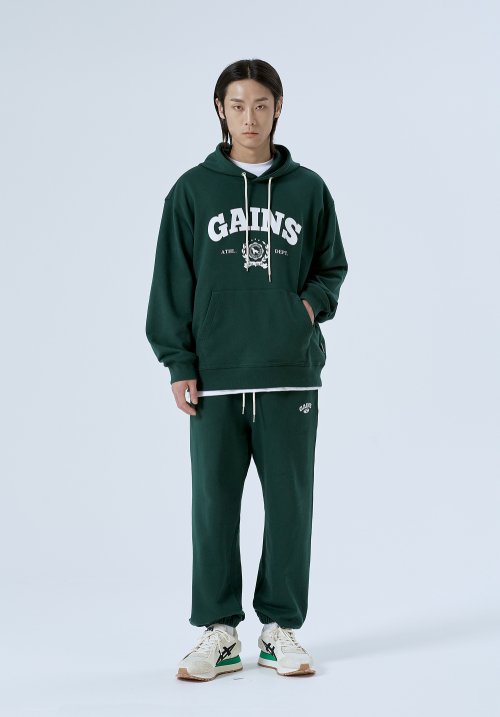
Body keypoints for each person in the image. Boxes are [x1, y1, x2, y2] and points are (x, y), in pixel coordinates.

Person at [145, 58, 348, 681]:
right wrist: (178, 360)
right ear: (220, 110)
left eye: (261, 104)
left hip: (289, 372)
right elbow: (171, 280)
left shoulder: (308, 189)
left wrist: (304, 307)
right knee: (213, 507)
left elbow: (332, 267)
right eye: (237, 105)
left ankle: (280, 628)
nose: (250, 117)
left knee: (290, 505)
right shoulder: (192, 190)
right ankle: (219, 632)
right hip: (216, 375)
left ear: (278, 108)